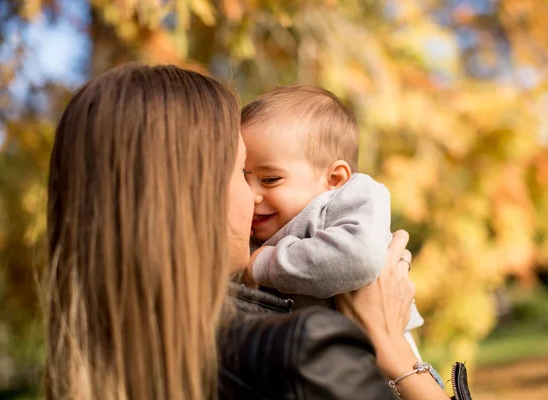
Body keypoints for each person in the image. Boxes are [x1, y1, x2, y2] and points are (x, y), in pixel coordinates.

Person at [44, 63, 464, 399]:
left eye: (267, 179)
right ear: (190, 195)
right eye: (239, 172)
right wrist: (395, 356)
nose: (252, 197)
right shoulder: (301, 355)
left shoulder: (115, 360)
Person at [241, 85, 424, 359]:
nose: (251, 195)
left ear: (334, 179)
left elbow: (359, 258)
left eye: (269, 179)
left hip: (383, 370)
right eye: (243, 179)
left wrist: (265, 265)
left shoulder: (351, 198)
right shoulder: (257, 223)